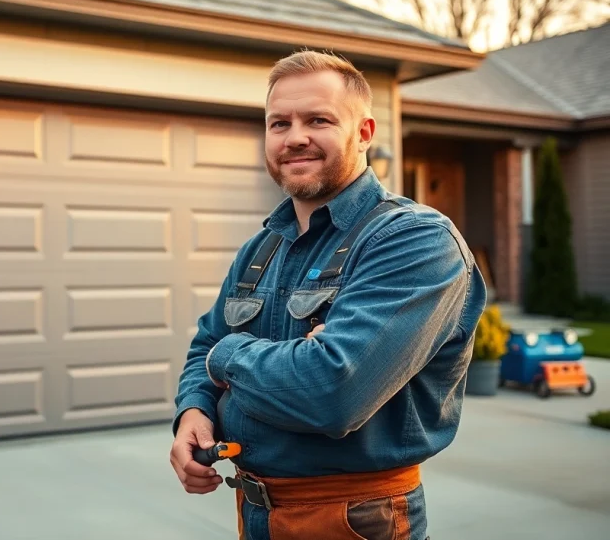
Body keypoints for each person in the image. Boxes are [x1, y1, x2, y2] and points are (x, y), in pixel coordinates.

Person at [169, 50, 487, 540]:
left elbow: (331, 393)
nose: (295, 137)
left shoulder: (414, 241)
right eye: (279, 124)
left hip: (358, 519)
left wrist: (228, 356)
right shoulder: (263, 246)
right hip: (255, 512)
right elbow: (203, 345)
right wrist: (194, 411)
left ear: (363, 133)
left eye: (318, 119)